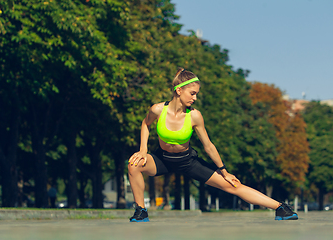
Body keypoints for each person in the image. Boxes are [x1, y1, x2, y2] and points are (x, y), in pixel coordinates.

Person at [127, 68, 298, 222]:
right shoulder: (157, 110)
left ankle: (281, 207)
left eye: (196, 94)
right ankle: (141, 211)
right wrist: (143, 150)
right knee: (134, 165)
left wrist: (224, 171)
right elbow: (145, 124)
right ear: (179, 90)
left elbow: (208, 146)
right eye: (192, 93)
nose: (195, 98)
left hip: (187, 161)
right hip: (162, 159)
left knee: (232, 185)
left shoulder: (194, 116)